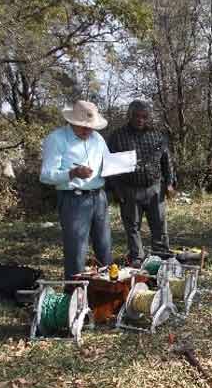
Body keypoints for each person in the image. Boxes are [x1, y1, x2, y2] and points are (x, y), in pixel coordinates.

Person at [40, 100, 113, 279]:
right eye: (82, 126)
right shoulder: (57, 139)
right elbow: (46, 175)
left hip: (99, 197)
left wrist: (117, 168)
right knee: (76, 251)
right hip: (73, 199)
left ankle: (108, 293)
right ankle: (74, 295)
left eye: (91, 127)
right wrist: (72, 173)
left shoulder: (98, 138)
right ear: (72, 121)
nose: (87, 130)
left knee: (104, 247)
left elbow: (108, 161)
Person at [106, 101, 176, 267]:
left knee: (159, 223)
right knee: (132, 226)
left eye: (144, 117)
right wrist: (115, 189)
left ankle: (162, 256)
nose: (140, 120)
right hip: (128, 188)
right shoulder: (117, 136)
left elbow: (167, 160)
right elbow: (110, 165)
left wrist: (170, 183)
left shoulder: (157, 135)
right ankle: (137, 258)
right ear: (129, 115)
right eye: (136, 116)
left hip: (154, 187)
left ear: (148, 118)